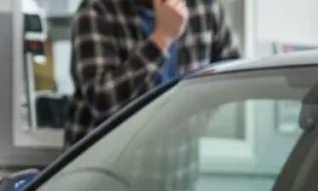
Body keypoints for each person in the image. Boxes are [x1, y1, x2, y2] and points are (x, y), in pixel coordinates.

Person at [64, 0, 241, 150]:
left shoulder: (205, 7)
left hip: (175, 172)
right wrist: (162, 38)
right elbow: (102, 100)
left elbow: (235, 76)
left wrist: (199, 117)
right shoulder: (98, 11)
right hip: (100, 175)